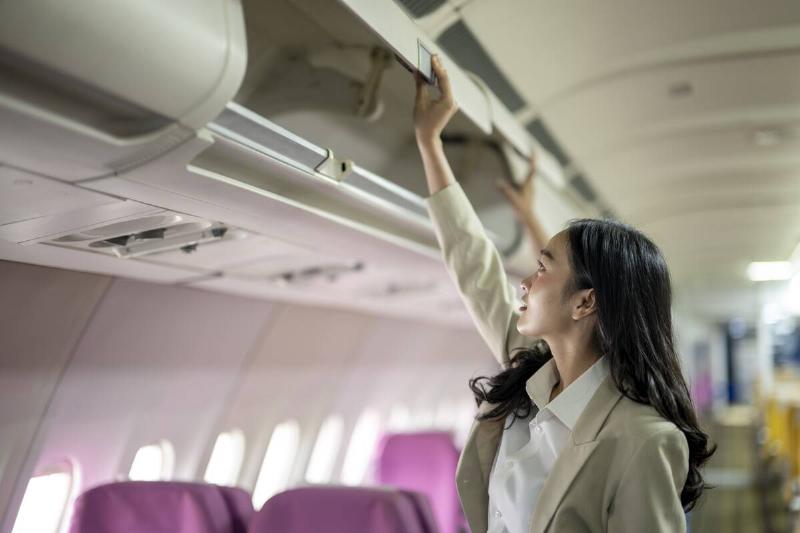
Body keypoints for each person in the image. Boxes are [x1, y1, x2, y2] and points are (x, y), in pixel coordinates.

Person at [414, 55, 714, 533]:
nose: (525, 283)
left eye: (539, 269)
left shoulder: (642, 440)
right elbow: (475, 266)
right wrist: (429, 142)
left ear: (586, 303)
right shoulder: (528, 377)